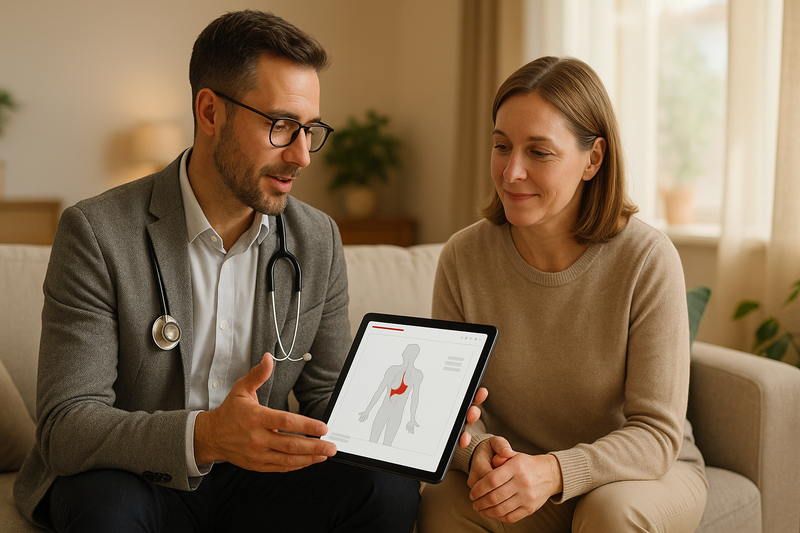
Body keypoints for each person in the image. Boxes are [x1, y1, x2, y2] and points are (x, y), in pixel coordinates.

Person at [12, 10, 467, 532]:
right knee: (105, 510)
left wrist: (429, 426)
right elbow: (67, 426)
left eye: (310, 129)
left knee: (382, 489)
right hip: (137, 476)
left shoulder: (316, 239)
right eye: (281, 126)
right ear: (210, 112)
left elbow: (327, 400)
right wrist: (205, 435)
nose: (302, 156)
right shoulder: (97, 232)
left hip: (257, 480)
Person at [417, 56, 708, 532]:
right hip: (519, 472)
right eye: (501, 146)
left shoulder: (648, 259)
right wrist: (477, 453)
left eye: (539, 152)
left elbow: (656, 436)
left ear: (592, 159)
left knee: (608, 514)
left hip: (638, 475)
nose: (512, 172)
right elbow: (451, 413)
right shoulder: (463, 258)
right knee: (443, 504)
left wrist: (553, 471)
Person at [358, 343, 424, 445]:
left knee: (386, 443)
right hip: (385, 411)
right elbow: (379, 391)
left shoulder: (416, 374)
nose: (403, 353)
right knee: (373, 441)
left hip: (395, 414)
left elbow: (414, 398)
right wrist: (367, 410)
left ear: (405, 353)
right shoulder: (394, 370)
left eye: (405, 351)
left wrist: (412, 418)